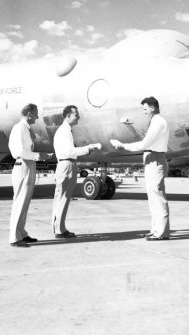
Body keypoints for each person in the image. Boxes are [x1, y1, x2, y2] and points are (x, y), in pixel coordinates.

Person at [110, 96, 170, 241]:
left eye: (145, 109)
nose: (144, 112)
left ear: (152, 108)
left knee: (157, 197)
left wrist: (123, 145)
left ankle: (161, 232)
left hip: (155, 159)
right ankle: (155, 229)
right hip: (151, 159)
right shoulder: (155, 121)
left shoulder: (158, 122)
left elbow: (144, 144)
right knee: (152, 197)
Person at [53, 105, 101, 238]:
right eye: (76, 114)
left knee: (63, 198)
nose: (78, 117)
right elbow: (70, 151)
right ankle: (59, 230)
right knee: (63, 198)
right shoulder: (64, 131)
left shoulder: (65, 130)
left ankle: (59, 228)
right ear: (68, 116)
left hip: (67, 164)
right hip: (66, 165)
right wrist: (88, 148)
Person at [8, 103, 52, 247]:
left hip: (28, 164)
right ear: (29, 114)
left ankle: (21, 233)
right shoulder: (20, 128)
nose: (38, 116)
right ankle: (14, 237)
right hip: (23, 165)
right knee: (19, 202)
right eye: (36, 113)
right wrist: (40, 155)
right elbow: (20, 152)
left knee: (24, 203)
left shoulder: (25, 129)